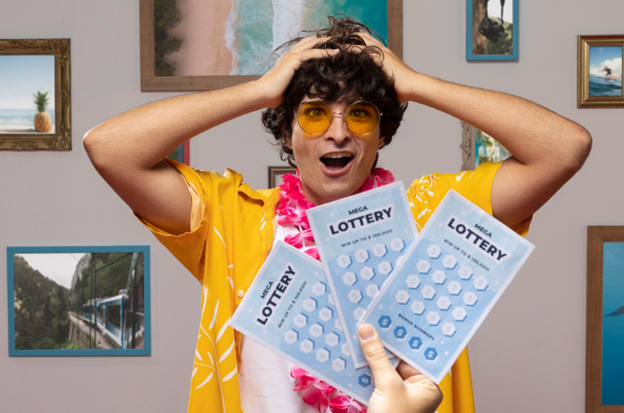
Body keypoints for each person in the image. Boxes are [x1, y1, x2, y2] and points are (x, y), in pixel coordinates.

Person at [84, 16, 590, 413]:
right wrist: (261, 91)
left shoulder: (429, 216)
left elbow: (564, 149)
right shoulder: (231, 217)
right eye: (314, 112)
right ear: (287, 133)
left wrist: (414, 83)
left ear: (381, 133)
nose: (339, 132)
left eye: (361, 114)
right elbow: (110, 149)